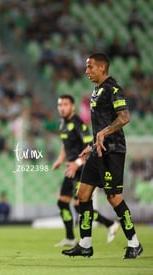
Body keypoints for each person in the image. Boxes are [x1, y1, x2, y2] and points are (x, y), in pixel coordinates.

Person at [62, 53, 143, 259]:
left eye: (90, 67)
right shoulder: (96, 91)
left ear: (102, 68)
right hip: (97, 150)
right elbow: (100, 125)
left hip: (113, 150)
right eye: (87, 67)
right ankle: (85, 244)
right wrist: (91, 145)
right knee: (82, 196)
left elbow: (124, 117)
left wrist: (103, 134)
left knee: (113, 197)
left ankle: (134, 242)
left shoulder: (113, 89)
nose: (87, 71)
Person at [53, 94, 120, 247]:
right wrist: (60, 159)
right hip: (71, 169)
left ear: (72, 107)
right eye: (60, 105)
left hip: (81, 168)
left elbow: (88, 147)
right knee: (62, 203)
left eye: (65, 105)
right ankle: (70, 237)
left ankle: (110, 224)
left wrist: (77, 163)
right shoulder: (61, 123)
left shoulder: (78, 124)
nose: (62, 108)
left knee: (79, 205)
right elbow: (66, 144)